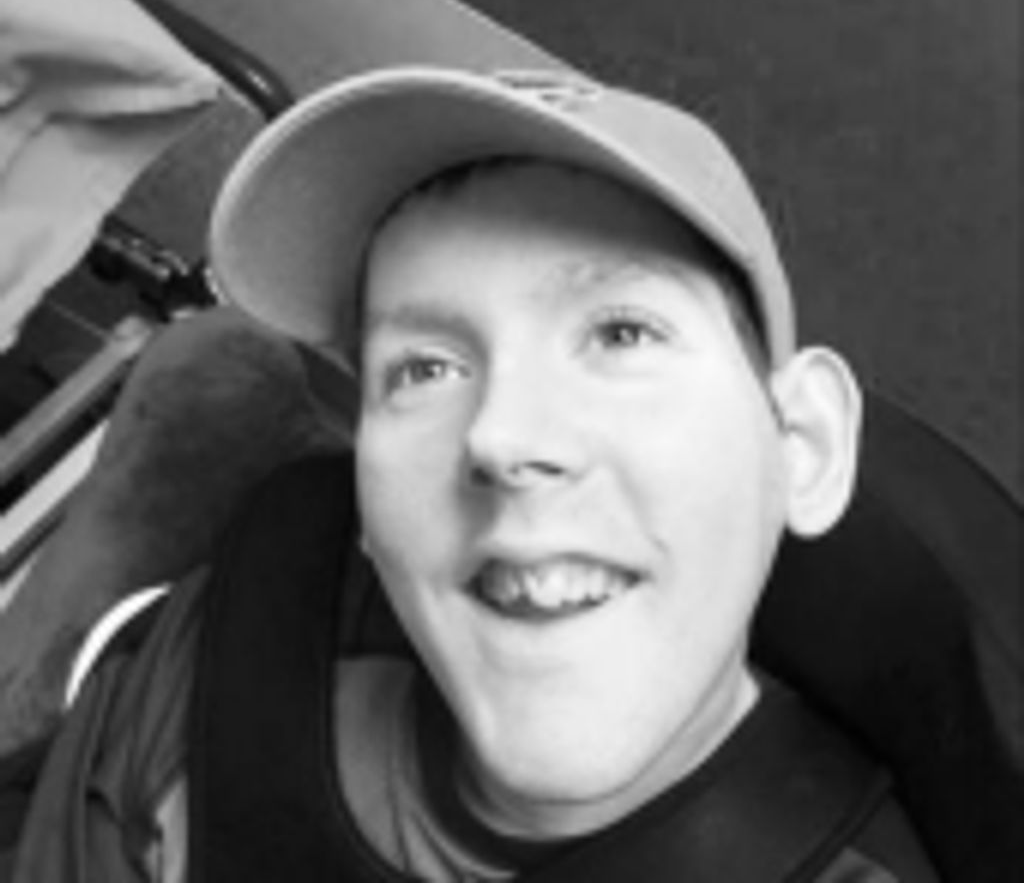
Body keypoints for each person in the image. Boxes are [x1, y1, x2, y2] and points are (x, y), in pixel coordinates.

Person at [5, 66, 941, 880]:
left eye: (622, 333)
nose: (499, 436)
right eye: (423, 369)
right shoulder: (213, 662)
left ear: (803, 446)